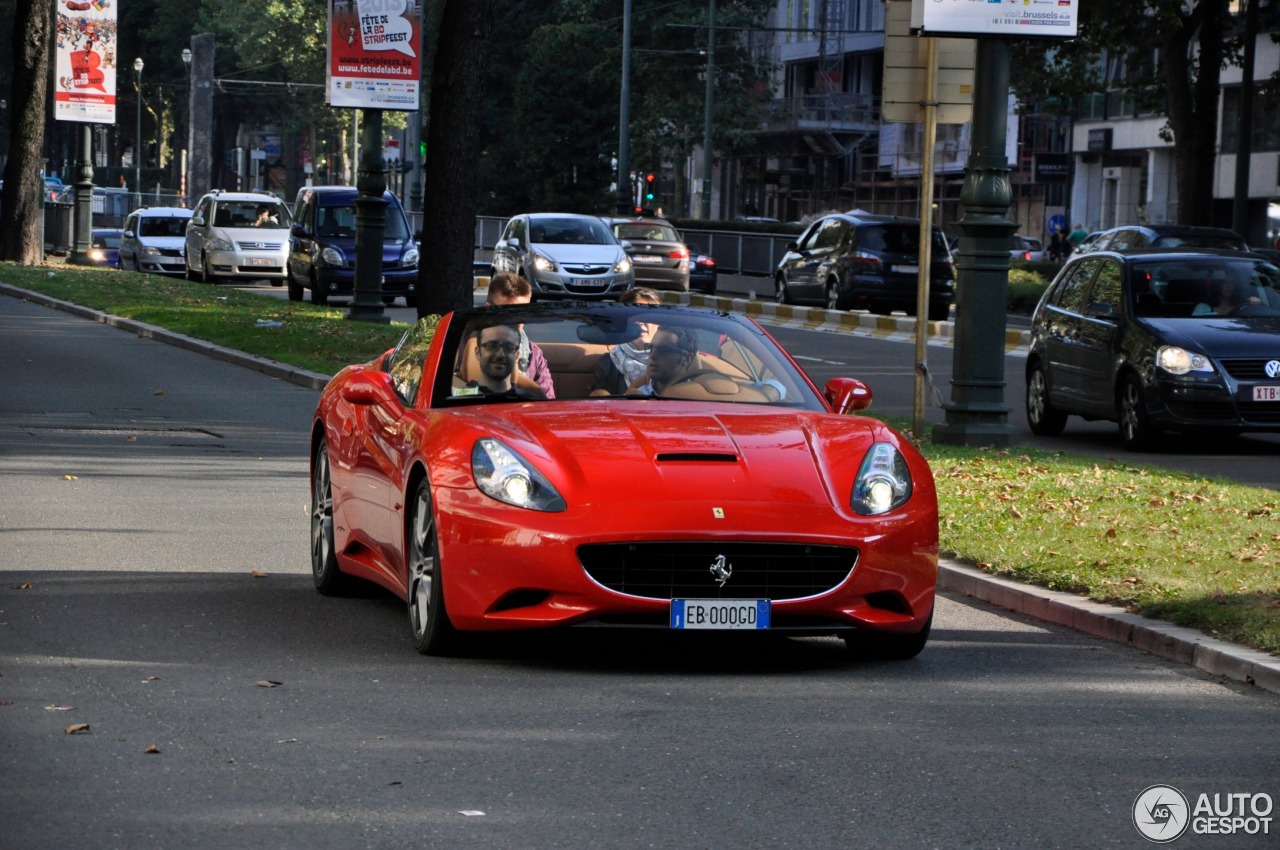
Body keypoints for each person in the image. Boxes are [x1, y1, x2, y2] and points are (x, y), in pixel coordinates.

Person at [484, 272, 556, 398]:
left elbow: (547, 404)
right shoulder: (467, 347)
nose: (516, 322)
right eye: (508, 314)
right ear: (488, 310)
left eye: (522, 314)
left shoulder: (533, 354)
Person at [589, 287, 663, 396]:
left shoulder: (672, 359)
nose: (640, 322)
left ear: (659, 324)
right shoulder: (609, 361)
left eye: (647, 315)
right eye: (634, 316)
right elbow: (598, 398)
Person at [458, 323, 545, 398]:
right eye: (492, 346)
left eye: (509, 347)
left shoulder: (531, 403)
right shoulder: (457, 402)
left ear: (517, 355)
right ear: (477, 352)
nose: (500, 354)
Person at [627, 326, 700, 397]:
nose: (652, 355)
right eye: (651, 348)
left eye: (663, 350)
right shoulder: (635, 397)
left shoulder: (699, 400)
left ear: (686, 359)